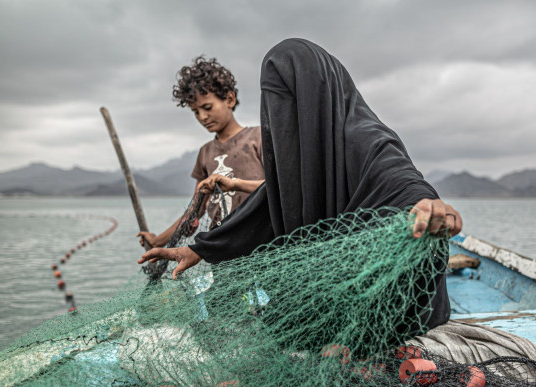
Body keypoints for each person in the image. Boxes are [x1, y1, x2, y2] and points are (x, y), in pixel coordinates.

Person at [139, 38, 463, 330]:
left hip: (382, 302)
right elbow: (271, 200)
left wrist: (429, 204)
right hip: (329, 294)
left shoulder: (366, 138)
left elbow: (402, 182)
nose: (281, 117)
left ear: (315, 95)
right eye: (274, 106)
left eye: (290, 102)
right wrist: (200, 248)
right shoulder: (296, 152)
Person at [136, 56, 265, 249]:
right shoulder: (205, 153)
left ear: (230, 99)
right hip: (222, 249)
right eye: (196, 112)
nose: (203, 117)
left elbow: (279, 189)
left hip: (262, 244)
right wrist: (157, 241)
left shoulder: (258, 138)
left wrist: (236, 184)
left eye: (207, 107)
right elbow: (195, 212)